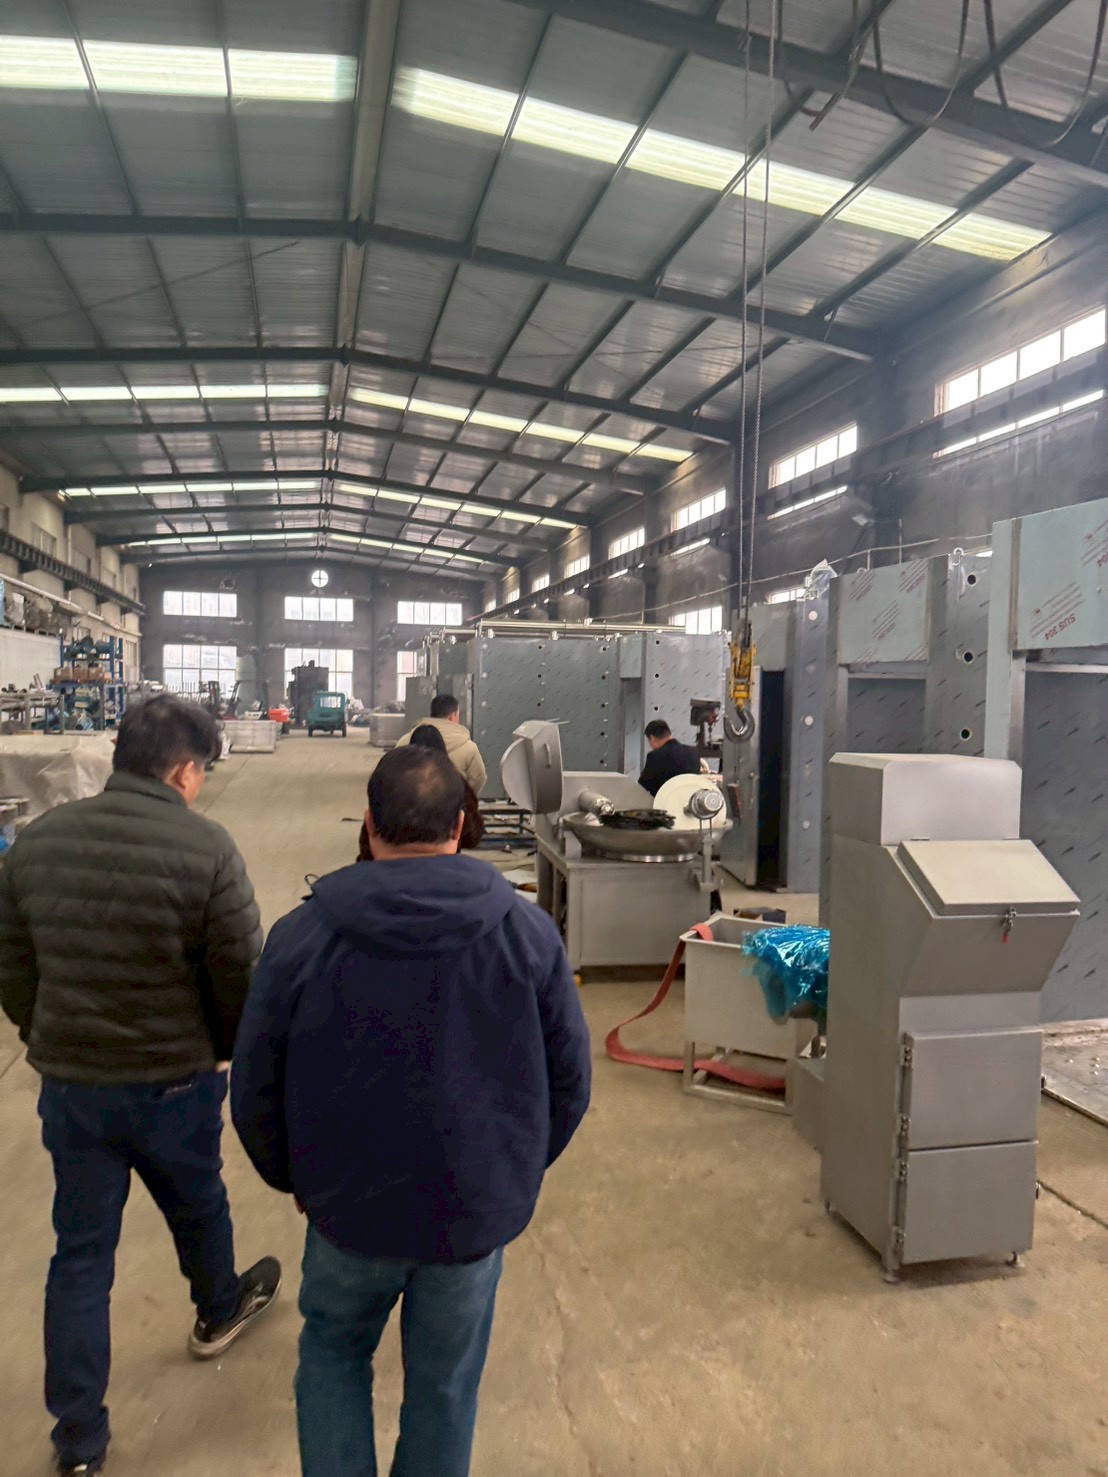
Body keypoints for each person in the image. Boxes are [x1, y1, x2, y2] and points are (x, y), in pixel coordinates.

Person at [232, 745, 591, 1477]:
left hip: (347, 1211)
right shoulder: (526, 934)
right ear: (460, 826)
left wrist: (297, 1180)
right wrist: (510, 1172)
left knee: (333, 1355)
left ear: (368, 823)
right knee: (445, 1385)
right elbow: (570, 1081)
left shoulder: (302, 937)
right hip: (472, 1211)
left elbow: (254, 1087)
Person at [0, 695, 280, 1477]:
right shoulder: (207, 847)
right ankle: (218, 1309)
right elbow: (239, 971)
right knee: (199, 1201)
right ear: (184, 770)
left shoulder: (39, 842)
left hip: (74, 1086)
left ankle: (79, 1438)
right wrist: (222, 1051)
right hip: (174, 1081)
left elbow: (12, 963)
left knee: (81, 1254)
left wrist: (47, 1033)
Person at [357, 722, 483, 859]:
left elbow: (368, 843)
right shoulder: (454, 782)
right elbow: (473, 835)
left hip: (385, 864)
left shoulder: (393, 782)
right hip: (447, 863)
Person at [397, 692, 487, 793]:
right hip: (452, 800)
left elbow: (394, 771)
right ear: (452, 716)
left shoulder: (405, 740)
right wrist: (461, 797)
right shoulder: (469, 747)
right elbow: (478, 778)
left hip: (413, 799)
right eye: (458, 715)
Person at [637, 718, 703, 798]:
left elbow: (643, 786)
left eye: (649, 741)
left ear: (652, 738)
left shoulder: (655, 756)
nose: (650, 745)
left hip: (663, 803)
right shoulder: (693, 752)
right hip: (688, 802)